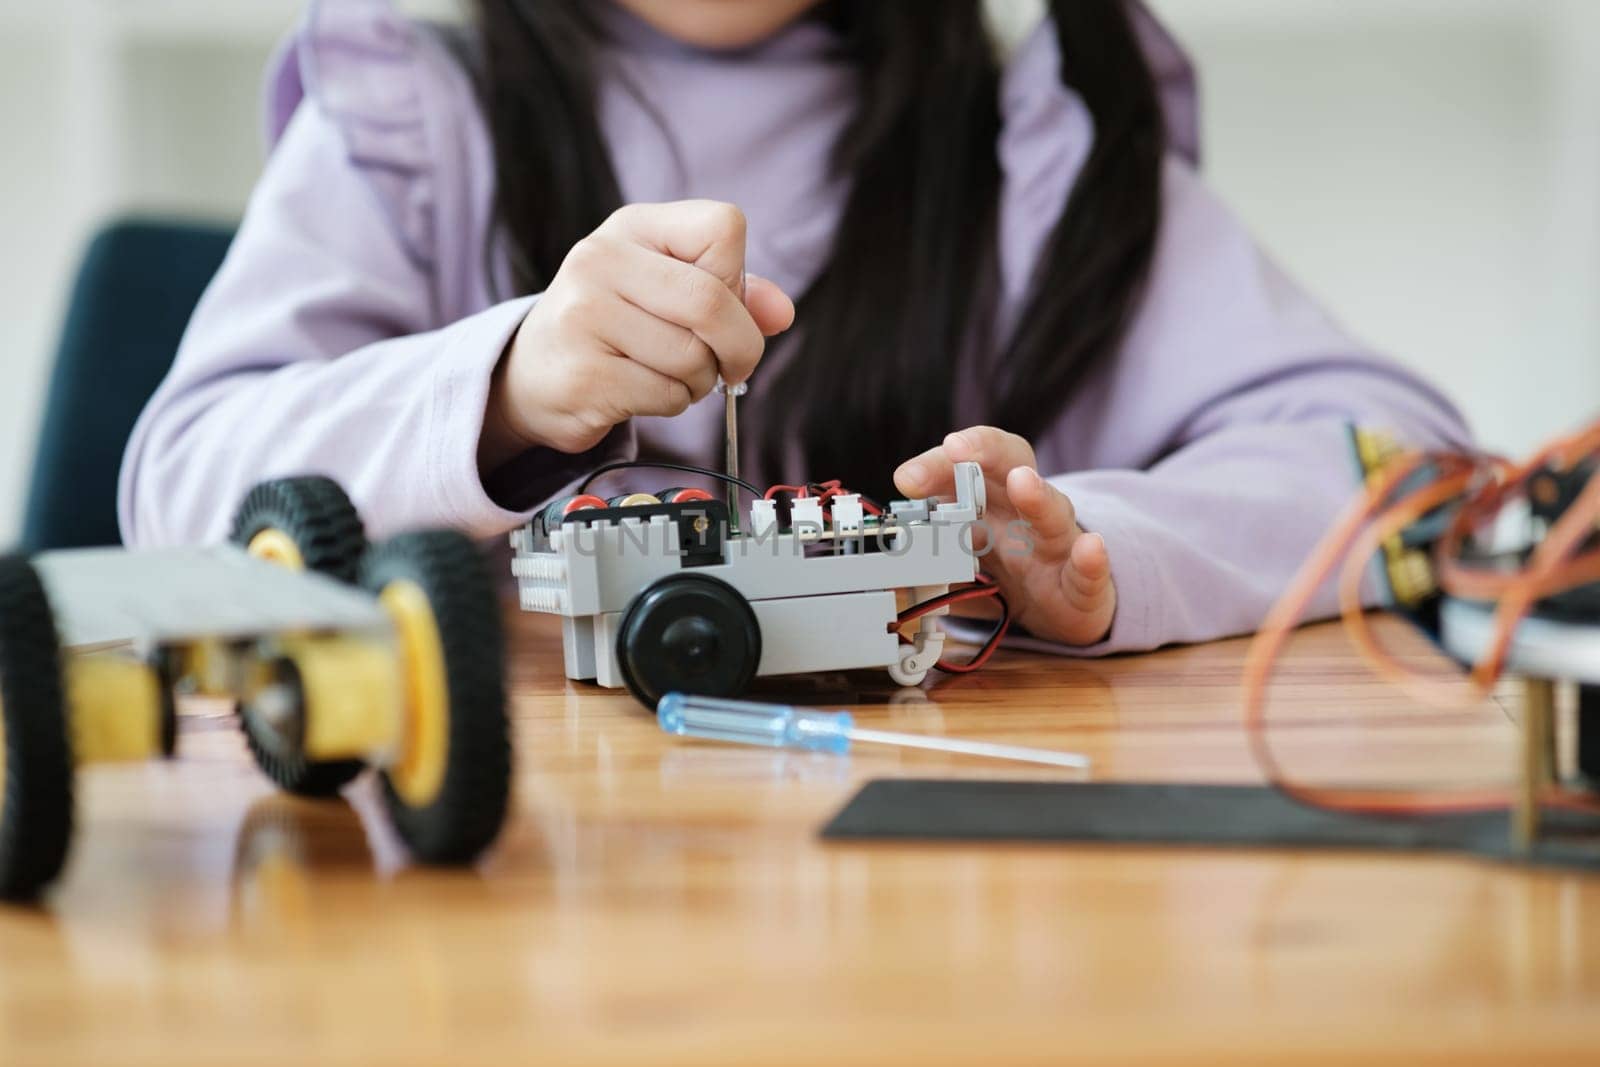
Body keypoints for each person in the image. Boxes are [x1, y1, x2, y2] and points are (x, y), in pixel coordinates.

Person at [118, 0, 1468, 654]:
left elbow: (1400, 469)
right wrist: (507, 391)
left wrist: (1106, 550)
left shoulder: (1035, 148)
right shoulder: (414, 121)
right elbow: (184, 489)